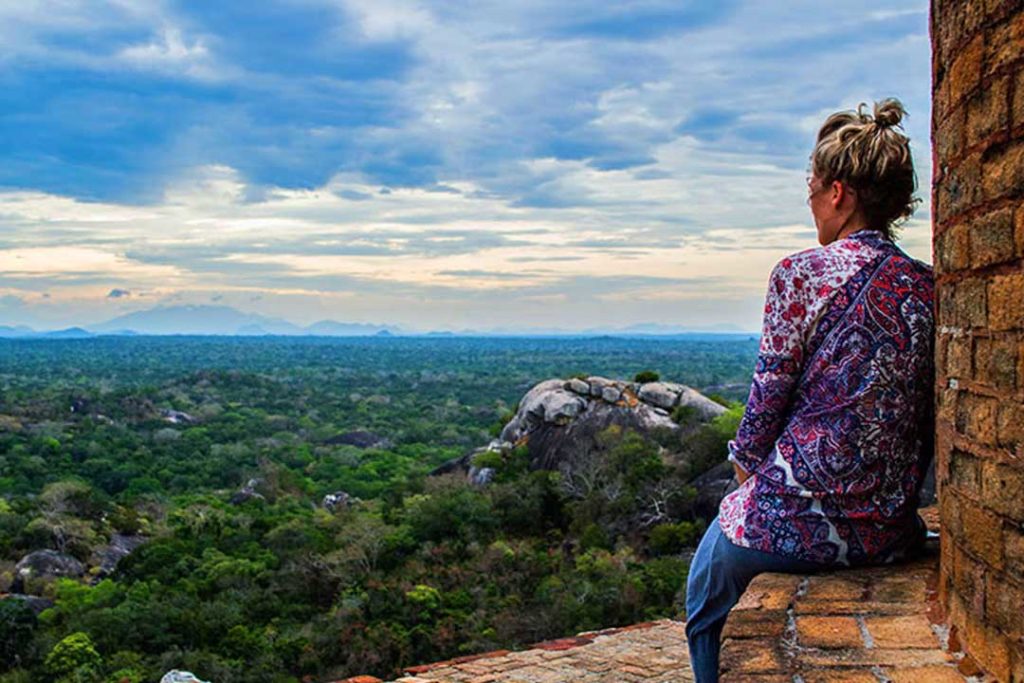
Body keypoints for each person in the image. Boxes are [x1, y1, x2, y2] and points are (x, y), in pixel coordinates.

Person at [683, 98, 935, 683]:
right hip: (889, 525)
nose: (812, 202)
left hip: (803, 518)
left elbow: (767, 399)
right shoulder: (925, 286)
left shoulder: (801, 275)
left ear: (839, 192)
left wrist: (746, 474)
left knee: (706, 592)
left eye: (814, 188)